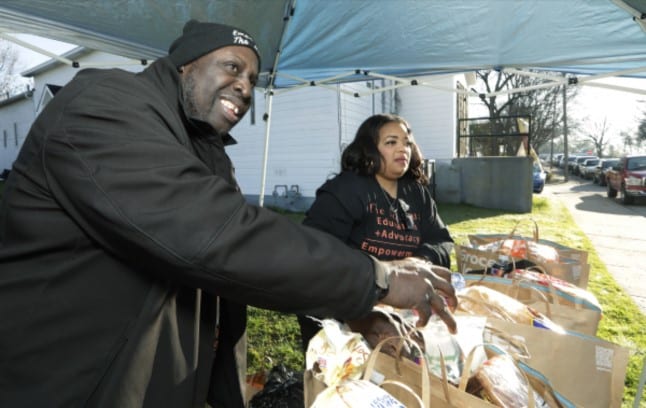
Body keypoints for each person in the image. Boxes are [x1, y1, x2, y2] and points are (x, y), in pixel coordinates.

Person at [0, 20, 456, 408]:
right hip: (72, 384)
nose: (244, 85)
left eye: (253, 78)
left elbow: (250, 266)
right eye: (232, 67)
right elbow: (218, 237)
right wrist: (378, 280)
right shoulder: (104, 104)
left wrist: (354, 310)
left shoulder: (203, 149)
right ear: (185, 66)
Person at [298, 113, 455, 349]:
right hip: (346, 314)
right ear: (369, 149)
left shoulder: (417, 193)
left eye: (407, 142)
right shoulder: (345, 190)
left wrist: (417, 263)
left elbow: (440, 241)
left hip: (402, 309)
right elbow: (316, 257)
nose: (403, 148)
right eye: (391, 142)